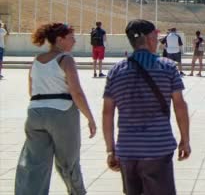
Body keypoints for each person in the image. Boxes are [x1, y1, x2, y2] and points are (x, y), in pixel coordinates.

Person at [103, 19, 191, 195]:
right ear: (149, 37)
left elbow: (107, 113)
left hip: (127, 149)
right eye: (156, 36)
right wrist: (185, 140)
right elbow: (180, 106)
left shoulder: (116, 71)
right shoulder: (167, 67)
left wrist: (111, 150)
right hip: (158, 147)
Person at [15, 23, 97, 195]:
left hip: (35, 112)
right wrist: (89, 117)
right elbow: (76, 92)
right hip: (62, 112)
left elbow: (31, 90)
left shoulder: (36, 60)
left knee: (34, 163)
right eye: (71, 38)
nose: (74, 41)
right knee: (68, 162)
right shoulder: (65, 59)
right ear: (60, 39)